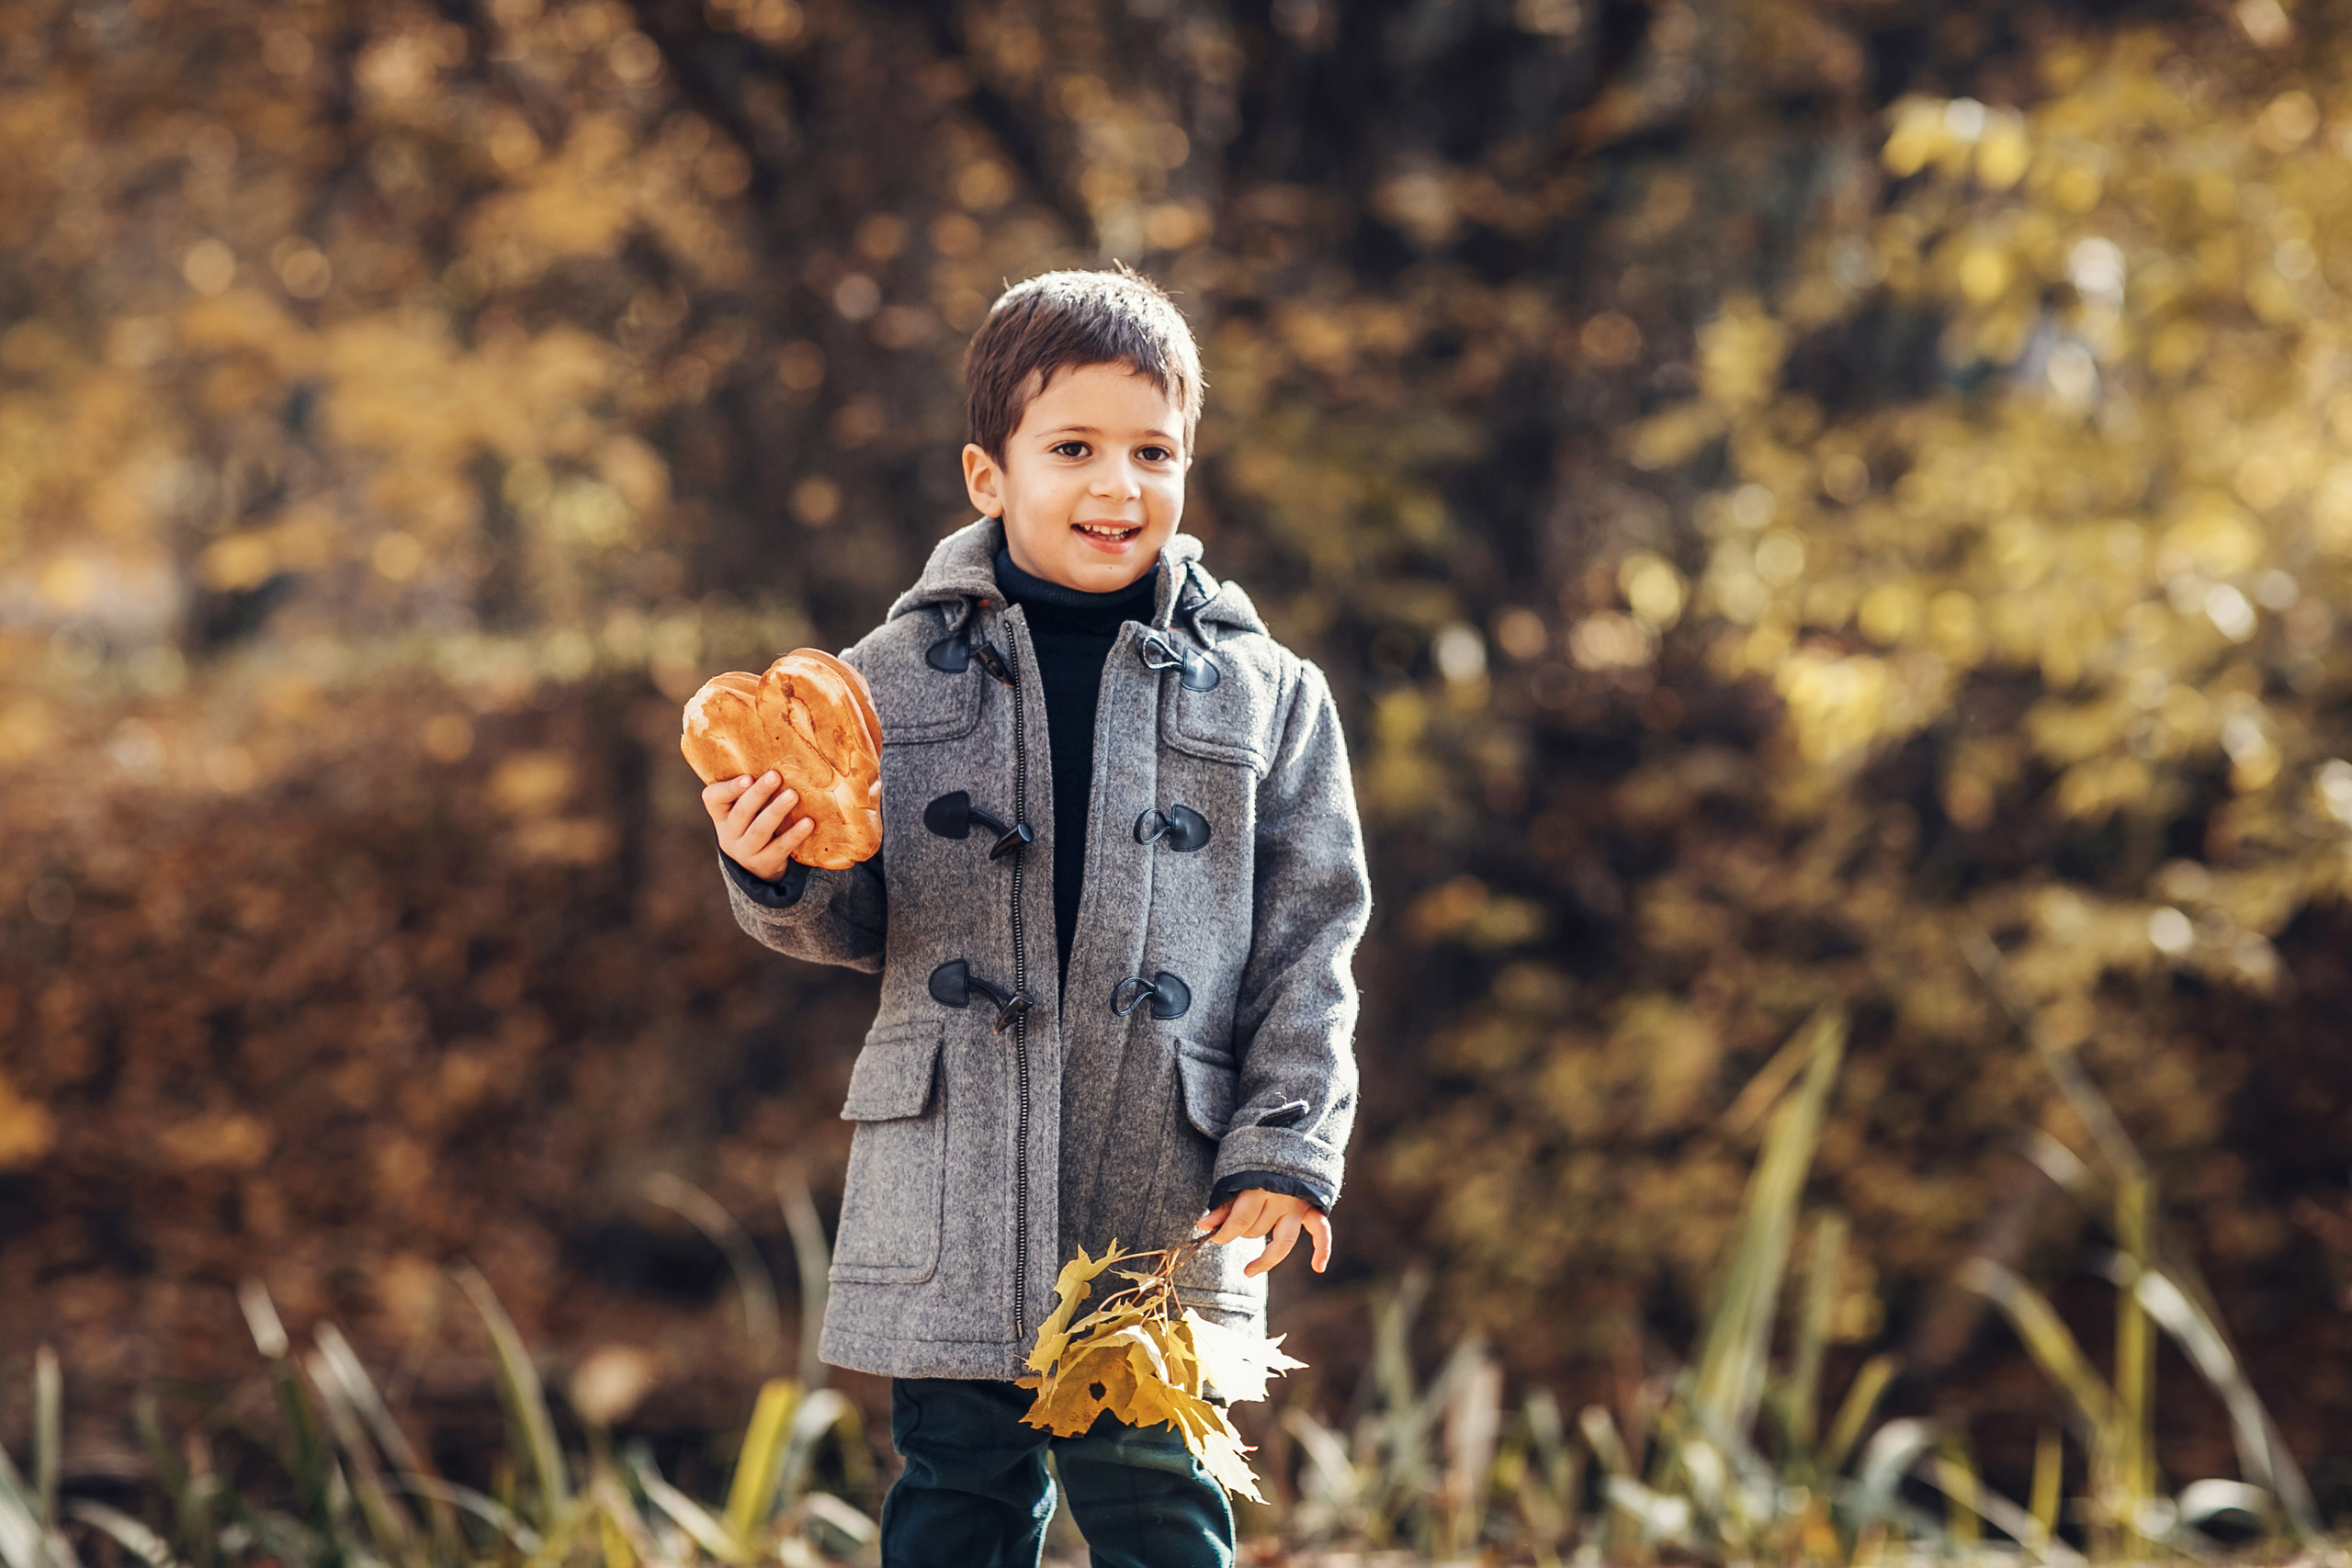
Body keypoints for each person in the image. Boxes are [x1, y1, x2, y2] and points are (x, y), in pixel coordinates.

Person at [700, 266, 1371, 1567]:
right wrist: (778, 873)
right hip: (953, 1173)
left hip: (1163, 1190)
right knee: (955, 1506)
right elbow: (849, 921)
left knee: (1161, 1510)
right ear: (986, 475)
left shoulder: (1269, 694)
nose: (1118, 486)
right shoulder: (875, 683)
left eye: (1152, 452)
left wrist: (1285, 1143)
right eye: (1073, 449)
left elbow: (1314, 938)